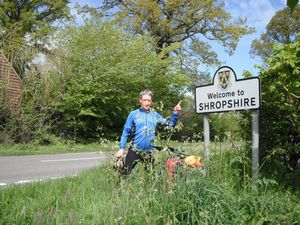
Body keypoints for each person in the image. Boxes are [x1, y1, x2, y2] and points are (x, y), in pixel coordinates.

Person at [114, 89, 182, 175]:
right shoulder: (133, 114)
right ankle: (121, 187)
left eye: (149, 100)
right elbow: (126, 131)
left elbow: (169, 125)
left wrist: (175, 113)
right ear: (140, 101)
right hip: (135, 150)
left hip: (149, 152)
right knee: (125, 174)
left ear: (151, 101)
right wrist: (121, 148)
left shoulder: (154, 114)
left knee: (151, 177)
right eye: (145, 100)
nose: (147, 102)